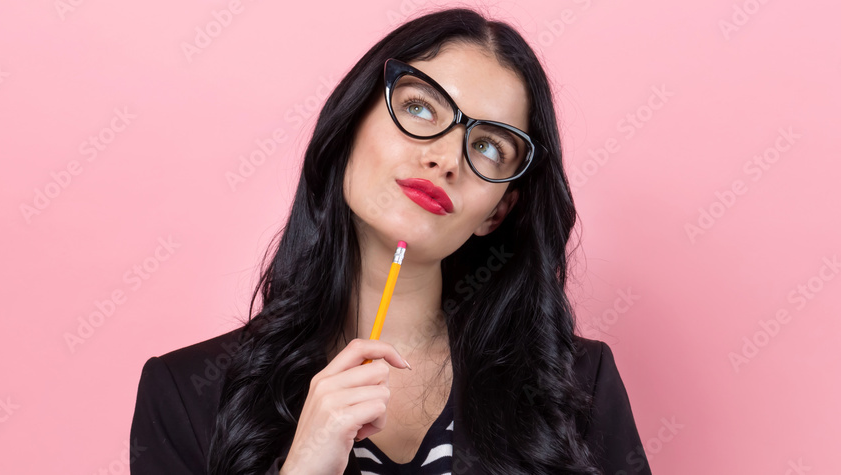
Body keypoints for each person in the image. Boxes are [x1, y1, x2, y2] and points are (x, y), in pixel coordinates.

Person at [129, 7, 651, 475]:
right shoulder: (185, 395)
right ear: (350, 126)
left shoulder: (576, 387)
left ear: (499, 211)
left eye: (490, 146)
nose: (446, 158)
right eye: (421, 108)